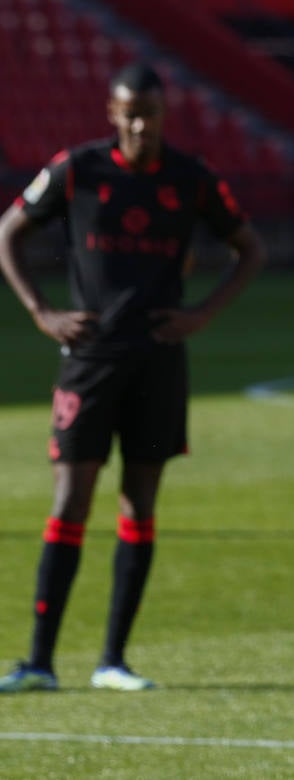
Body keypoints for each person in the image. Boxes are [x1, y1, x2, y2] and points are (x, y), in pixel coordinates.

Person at [0, 63, 265, 692]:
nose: (140, 124)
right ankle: (39, 662)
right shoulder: (77, 170)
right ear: (112, 112)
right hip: (89, 361)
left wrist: (201, 313)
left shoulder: (190, 179)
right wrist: (41, 312)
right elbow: (8, 233)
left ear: (163, 114)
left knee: (139, 503)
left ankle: (113, 661)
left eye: (150, 112)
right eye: (129, 112)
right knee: (70, 500)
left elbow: (248, 248)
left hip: (157, 362)